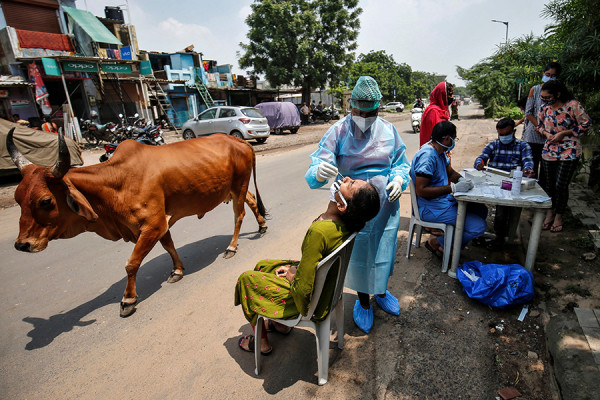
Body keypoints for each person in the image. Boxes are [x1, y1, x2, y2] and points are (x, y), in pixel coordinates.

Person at [304, 76, 410, 334]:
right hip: (354, 206)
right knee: (360, 254)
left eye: (369, 112)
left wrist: (398, 179)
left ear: (377, 108)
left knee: (384, 250)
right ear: (351, 107)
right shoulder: (338, 131)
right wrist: (319, 172)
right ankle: (363, 301)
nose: (363, 116)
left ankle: (381, 291)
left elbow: (401, 162)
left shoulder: (387, 130)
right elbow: (315, 168)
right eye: (358, 111)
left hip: (385, 205)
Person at [235, 177, 381, 355]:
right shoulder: (348, 223)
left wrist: (292, 274)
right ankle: (280, 325)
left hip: (310, 301)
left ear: (342, 206)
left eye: (350, 184)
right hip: (325, 287)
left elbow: (303, 290)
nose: (347, 178)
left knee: (246, 279)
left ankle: (262, 342)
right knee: (263, 266)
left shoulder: (320, 231)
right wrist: (295, 270)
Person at [411, 121, 487, 256]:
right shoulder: (428, 156)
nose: (453, 142)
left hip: (442, 202)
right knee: (478, 227)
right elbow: (421, 190)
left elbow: (450, 173)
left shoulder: (440, 152)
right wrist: (453, 187)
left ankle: (451, 242)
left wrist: (462, 180)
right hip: (431, 208)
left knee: (480, 209)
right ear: (447, 139)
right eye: (453, 138)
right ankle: (437, 243)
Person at [538, 79, 592, 233]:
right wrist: (546, 133)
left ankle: (558, 217)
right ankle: (549, 213)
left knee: (560, 185)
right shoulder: (544, 108)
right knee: (549, 185)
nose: (545, 100)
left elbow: (586, 123)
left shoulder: (572, 105)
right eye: (543, 97)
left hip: (570, 150)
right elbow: (540, 126)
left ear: (558, 94)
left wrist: (564, 133)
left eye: (548, 97)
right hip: (549, 149)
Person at [474, 118, 534, 247]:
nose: (503, 137)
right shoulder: (493, 145)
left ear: (513, 131)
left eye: (507, 134)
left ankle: (502, 238)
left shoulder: (523, 146)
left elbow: (528, 161)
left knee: (503, 210)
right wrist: (479, 163)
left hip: (511, 185)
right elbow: (481, 158)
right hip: (492, 182)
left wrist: (528, 169)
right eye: (501, 135)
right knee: (475, 204)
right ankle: (476, 232)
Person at [524, 62, 562, 178]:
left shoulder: (560, 93)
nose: (550, 77)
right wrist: (542, 128)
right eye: (548, 74)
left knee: (547, 175)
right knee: (531, 170)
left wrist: (549, 131)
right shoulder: (534, 90)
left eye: (553, 76)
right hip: (533, 136)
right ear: (543, 74)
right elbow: (528, 113)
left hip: (551, 138)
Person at [420, 82, 453, 147]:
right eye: (449, 94)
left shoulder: (442, 111)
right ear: (442, 95)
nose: (452, 97)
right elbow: (435, 138)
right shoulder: (434, 112)